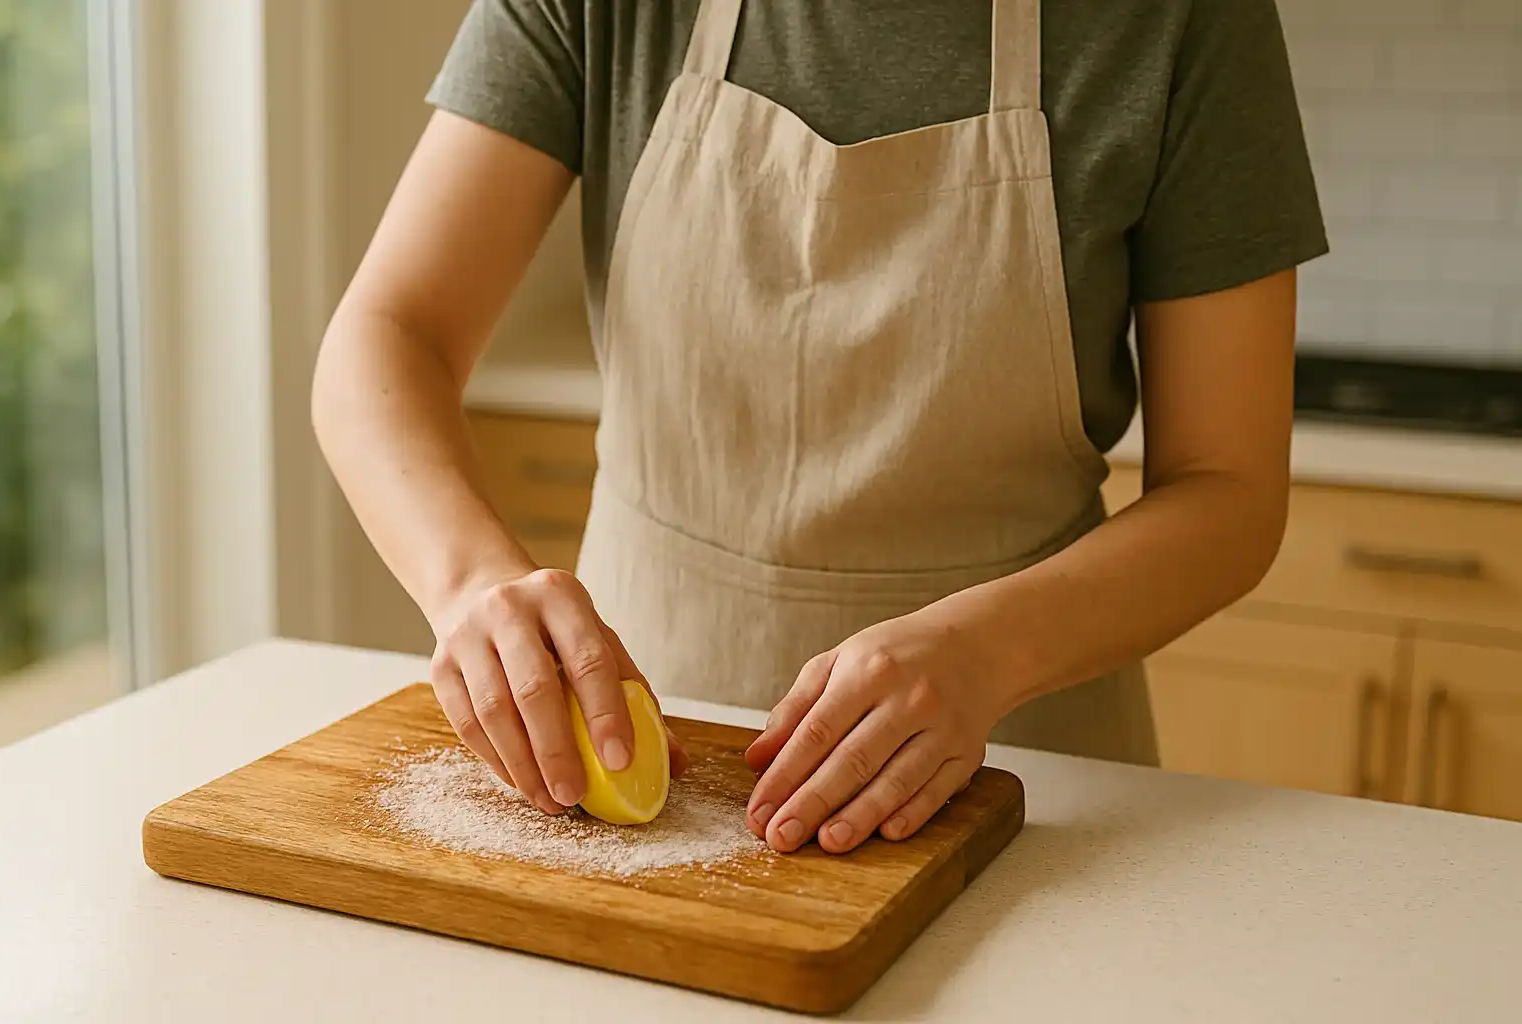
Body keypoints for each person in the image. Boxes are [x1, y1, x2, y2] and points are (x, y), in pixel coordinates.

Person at [313, 0, 1327, 856]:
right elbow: (388, 334)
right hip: (636, 739)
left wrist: (987, 653)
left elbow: (1228, 487)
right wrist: (469, 584)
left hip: (1029, 769)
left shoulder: (1183, 20)